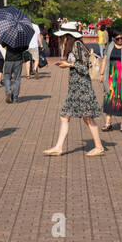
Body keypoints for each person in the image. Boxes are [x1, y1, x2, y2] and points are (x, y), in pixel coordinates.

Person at [44, 23, 105, 157]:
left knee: (87, 117)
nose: (62, 38)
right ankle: (59, 147)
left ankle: (99, 146)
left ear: (68, 36)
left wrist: (68, 65)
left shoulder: (77, 45)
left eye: (64, 36)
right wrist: (68, 65)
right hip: (75, 88)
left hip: (81, 88)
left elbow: (84, 67)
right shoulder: (75, 45)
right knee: (66, 115)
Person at [2, 35, 27, 102]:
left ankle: (8, 92)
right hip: (18, 59)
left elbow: (3, 45)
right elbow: (26, 47)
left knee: (7, 77)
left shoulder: (8, 35)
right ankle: (15, 97)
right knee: (17, 78)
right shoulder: (22, 36)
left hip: (9, 59)